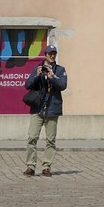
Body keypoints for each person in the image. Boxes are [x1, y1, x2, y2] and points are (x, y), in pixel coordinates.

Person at [23, 43, 67, 177]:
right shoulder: (38, 68)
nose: (52, 56)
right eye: (50, 54)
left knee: (50, 140)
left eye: (54, 54)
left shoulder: (60, 70)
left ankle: (46, 166)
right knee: (32, 137)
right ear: (45, 55)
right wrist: (37, 75)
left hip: (52, 108)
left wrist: (52, 76)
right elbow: (27, 85)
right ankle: (30, 166)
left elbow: (63, 85)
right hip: (38, 108)